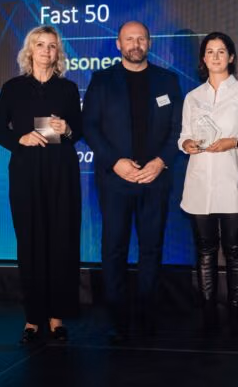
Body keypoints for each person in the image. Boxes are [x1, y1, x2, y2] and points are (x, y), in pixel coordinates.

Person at [82, 20, 182, 343]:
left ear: (149, 43)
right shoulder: (101, 81)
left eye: (140, 38)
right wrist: (116, 163)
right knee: (114, 250)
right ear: (118, 44)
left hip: (155, 179)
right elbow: (91, 128)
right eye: (129, 39)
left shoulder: (167, 81)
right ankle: (117, 317)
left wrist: (160, 162)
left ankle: (148, 315)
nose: (135, 44)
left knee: (151, 250)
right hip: (115, 181)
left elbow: (177, 130)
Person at [0, 25, 82, 344]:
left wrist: (67, 128)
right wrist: (20, 138)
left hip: (61, 172)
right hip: (26, 171)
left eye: (52, 46)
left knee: (60, 242)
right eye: (40, 45)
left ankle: (57, 317)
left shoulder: (68, 89)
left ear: (58, 53)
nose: (46, 51)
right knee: (29, 243)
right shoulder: (13, 87)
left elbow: (79, 132)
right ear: (29, 51)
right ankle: (32, 318)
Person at [179, 32, 238, 336]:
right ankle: (208, 313)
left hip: (233, 183)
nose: (215, 56)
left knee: (235, 249)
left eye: (221, 51)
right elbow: (182, 135)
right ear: (203, 59)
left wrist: (234, 141)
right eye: (210, 51)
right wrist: (186, 143)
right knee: (204, 250)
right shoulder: (193, 97)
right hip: (200, 183)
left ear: (231, 57)